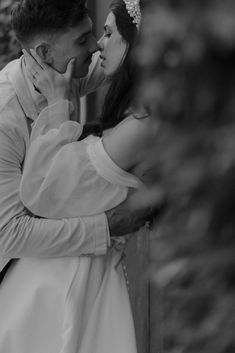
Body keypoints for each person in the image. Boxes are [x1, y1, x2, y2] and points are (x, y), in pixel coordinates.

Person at [0, 1, 157, 352]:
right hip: (26, 282)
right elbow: (9, 234)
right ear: (43, 52)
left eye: (99, 33)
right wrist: (107, 226)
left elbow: (127, 52)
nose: (95, 47)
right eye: (85, 38)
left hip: (78, 270)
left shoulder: (67, 69)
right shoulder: (4, 119)